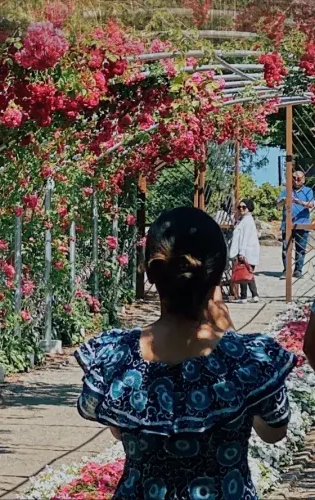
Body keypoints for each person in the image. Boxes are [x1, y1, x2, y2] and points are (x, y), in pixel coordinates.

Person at [76, 206, 293, 500]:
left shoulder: (117, 355)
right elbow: (273, 432)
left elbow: (118, 427)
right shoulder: (248, 359)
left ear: (151, 273)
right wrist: (229, 338)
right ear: (217, 274)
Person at [279, 165, 313, 278]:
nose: (296, 180)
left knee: (300, 248)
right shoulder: (287, 191)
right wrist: (283, 200)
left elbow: (311, 204)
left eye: (299, 178)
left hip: (302, 224)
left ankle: (298, 270)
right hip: (287, 224)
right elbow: (277, 204)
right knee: (286, 248)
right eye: (294, 178)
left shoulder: (308, 191)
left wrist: (298, 201)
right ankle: (287, 270)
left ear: (303, 179)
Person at [228, 199, 260, 301]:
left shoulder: (247, 220)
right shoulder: (244, 219)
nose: (241, 209)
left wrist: (242, 252)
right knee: (248, 273)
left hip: (246, 250)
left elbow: (245, 237)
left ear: (249, 208)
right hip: (248, 250)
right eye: (239, 207)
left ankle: (244, 296)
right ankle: (254, 295)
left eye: (244, 207)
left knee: (243, 272)